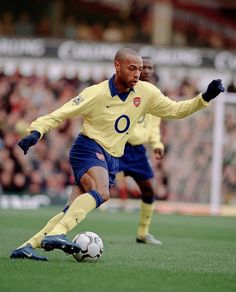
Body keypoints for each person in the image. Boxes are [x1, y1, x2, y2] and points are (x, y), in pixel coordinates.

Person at [10, 48, 224, 261]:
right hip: (88, 147)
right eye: (132, 68)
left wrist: (204, 97)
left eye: (140, 69)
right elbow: (60, 114)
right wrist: (35, 131)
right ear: (117, 66)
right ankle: (58, 234)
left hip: (112, 157)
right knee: (102, 193)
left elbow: (176, 110)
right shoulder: (95, 93)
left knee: (70, 210)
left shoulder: (146, 92)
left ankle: (27, 246)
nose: (137, 74)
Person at [116, 57, 164, 245]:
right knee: (95, 189)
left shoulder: (154, 96)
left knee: (149, 190)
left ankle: (143, 233)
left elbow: (154, 126)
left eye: (151, 67)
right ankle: (65, 225)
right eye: (145, 67)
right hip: (117, 147)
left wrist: (157, 144)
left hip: (137, 152)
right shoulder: (123, 89)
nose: (148, 70)